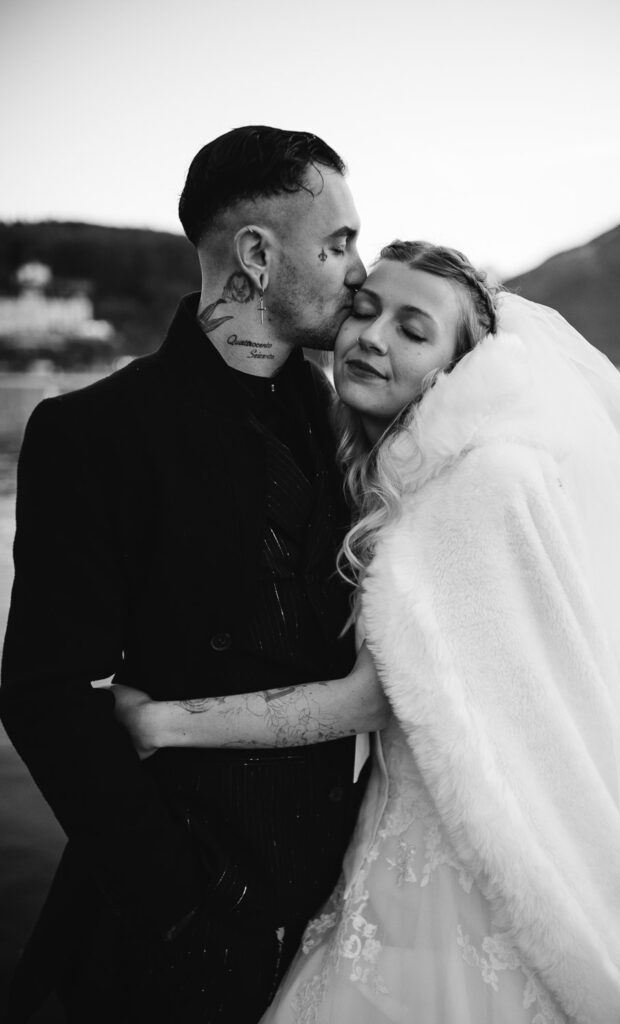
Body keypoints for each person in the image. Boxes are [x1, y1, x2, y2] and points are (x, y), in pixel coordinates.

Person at [115, 241, 620, 1023]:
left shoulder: (480, 482)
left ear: (456, 369)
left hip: (457, 866)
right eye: (364, 308)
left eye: (412, 330)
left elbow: (372, 701)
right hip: (398, 831)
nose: (371, 337)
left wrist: (163, 723)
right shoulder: (414, 468)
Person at [0, 126, 385, 1024]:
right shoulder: (95, 433)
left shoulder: (346, 423)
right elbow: (46, 694)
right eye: (336, 244)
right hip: (171, 936)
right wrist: (181, 902)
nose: (357, 271)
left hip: (338, 911)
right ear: (255, 253)